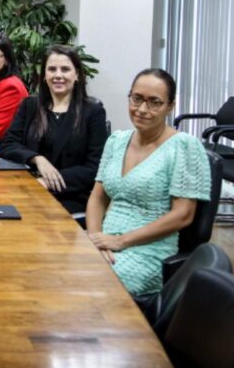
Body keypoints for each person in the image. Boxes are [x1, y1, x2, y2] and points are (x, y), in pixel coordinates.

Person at [86, 68, 211, 296]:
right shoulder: (116, 141)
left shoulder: (184, 146)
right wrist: (95, 239)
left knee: (93, 287)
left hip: (148, 251)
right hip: (105, 241)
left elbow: (183, 214)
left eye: (155, 102)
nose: (142, 109)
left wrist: (121, 241)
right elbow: (97, 197)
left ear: (170, 106)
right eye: (137, 99)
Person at [0, 45, 108, 215]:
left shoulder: (93, 112)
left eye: (65, 69)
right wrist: (37, 158)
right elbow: (7, 144)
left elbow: (95, 167)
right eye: (51, 69)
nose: (58, 75)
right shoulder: (29, 106)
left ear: (77, 75)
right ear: (44, 75)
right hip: (27, 188)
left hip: (69, 195)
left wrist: (48, 181)